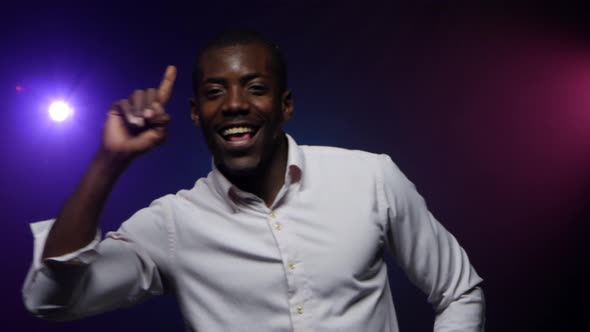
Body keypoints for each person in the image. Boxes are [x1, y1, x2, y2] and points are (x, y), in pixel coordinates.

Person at [23, 30, 485, 331]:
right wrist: (109, 160)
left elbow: (458, 290)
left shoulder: (369, 177)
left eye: (255, 88)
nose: (234, 104)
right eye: (214, 92)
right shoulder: (172, 224)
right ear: (195, 114)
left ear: (285, 105)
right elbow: (49, 299)